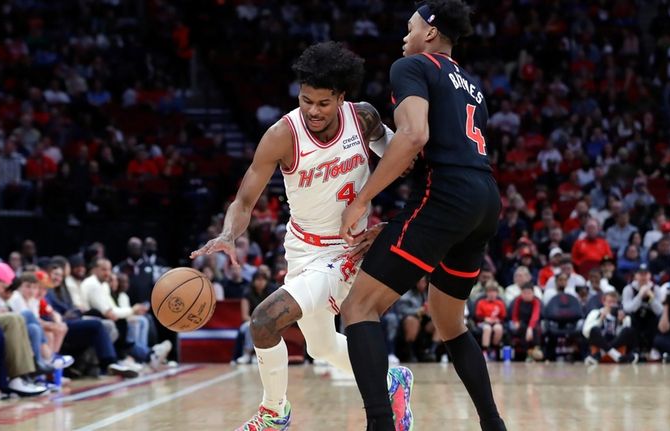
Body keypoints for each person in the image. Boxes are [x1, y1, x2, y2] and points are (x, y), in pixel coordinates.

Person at [190, 41, 409, 431]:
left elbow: (399, 160)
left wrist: (389, 222)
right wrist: (228, 233)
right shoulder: (282, 134)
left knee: (263, 321)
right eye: (306, 100)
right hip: (301, 247)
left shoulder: (364, 120)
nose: (312, 110)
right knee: (320, 347)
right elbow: (244, 200)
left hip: (345, 251)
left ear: (342, 97)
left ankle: (274, 412)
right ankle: (391, 379)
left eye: (323, 103)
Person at [337, 2, 506, 429]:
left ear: (430, 32)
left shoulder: (410, 66)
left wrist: (362, 199)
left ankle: (380, 423)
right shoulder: (472, 86)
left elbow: (414, 136)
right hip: (484, 197)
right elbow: (440, 152)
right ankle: (493, 424)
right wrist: (396, 227)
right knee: (449, 320)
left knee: (359, 307)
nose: (403, 36)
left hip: (446, 195)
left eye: (409, 26)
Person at [582, 291, 638, 364]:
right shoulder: (595, 313)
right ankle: (617, 356)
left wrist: (620, 322)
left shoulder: (622, 315)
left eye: (614, 302)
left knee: (628, 330)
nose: (612, 305)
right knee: (594, 329)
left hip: (615, 342)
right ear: (603, 301)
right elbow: (586, 332)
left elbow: (624, 336)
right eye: (609, 302)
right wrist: (600, 319)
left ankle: (600, 355)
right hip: (600, 340)